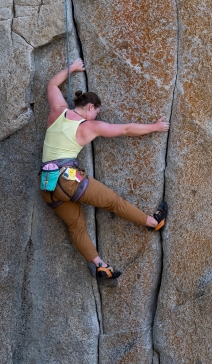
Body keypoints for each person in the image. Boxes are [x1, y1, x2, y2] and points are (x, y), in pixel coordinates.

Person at [39, 58, 170, 279]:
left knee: (77, 228)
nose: (96, 117)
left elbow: (52, 85)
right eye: (96, 112)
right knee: (113, 202)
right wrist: (155, 127)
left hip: (47, 185)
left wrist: (72, 67)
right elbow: (126, 129)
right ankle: (153, 222)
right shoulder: (87, 126)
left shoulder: (57, 111)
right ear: (90, 107)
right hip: (68, 180)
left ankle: (101, 266)